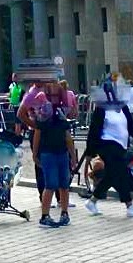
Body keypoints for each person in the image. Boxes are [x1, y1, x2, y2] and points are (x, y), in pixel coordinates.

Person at [82, 89, 133, 218]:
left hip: (121, 145)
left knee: (112, 175)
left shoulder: (123, 107)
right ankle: (129, 206)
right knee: (121, 172)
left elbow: (130, 125)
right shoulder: (101, 109)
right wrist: (90, 151)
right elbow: (94, 130)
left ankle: (92, 201)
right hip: (106, 144)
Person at [35, 90, 77, 228]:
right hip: (49, 153)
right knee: (51, 184)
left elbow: (68, 137)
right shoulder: (43, 114)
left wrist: (73, 156)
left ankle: (64, 213)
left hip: (60, 152)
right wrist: (35, 153)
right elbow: (38, 133)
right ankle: (44, 216)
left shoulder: (60, 114)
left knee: (64, 184)